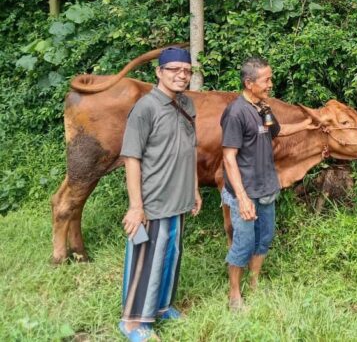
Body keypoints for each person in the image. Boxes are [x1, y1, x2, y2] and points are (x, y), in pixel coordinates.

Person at [118, 47, 202, 341]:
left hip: (178, 198)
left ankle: (162, 306)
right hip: (152, 200)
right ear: (159, 73)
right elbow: (131, 158)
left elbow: (189, 151)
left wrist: (193, 190)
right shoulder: (145, 108)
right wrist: (135, 207)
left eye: (187, 70)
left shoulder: (187, 105)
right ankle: (132, 321)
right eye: (174, 70)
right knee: (146, 260)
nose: (182, 75)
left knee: (170, 255)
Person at [220, 57, 315, 309]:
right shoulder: (236, 112)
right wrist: (241, 198)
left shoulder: (263, 107)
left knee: (264, 238)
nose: (271, 84)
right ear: (249, 83)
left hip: (266, 187)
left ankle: (254, 284)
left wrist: (307, 124)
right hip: (246, 191)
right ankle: (234, 295)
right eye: (266, 80)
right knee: (243, 242)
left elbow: (276, 131)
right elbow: (228, 158)